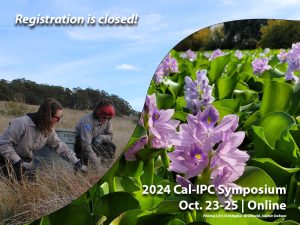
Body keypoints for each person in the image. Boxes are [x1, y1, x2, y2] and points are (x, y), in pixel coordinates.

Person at [0, 98, 87, 182]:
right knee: (19, 185)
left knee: (33, 184)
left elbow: (60, 147)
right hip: (6, 160)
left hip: (24, 162)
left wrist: (76, 162)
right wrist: (18, 162)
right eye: (58, 118)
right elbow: (4, 144)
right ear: (47, 115)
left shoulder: (48, 129)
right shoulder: (22, 123)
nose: (59, 121)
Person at [75, 99, 116, 167]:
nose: (106, 120)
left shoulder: (107, 120)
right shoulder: (87, 121)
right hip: (81, 145)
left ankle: (105, 168)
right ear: (98, 113)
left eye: (109, 118)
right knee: (83, 169)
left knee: (110, 146)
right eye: (104, 117)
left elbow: (110, 135)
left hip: (95, 143)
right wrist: (96, 162)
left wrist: (101, 138)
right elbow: (85, 146)